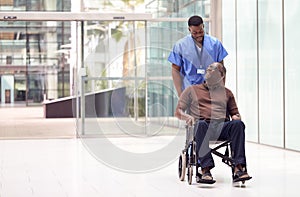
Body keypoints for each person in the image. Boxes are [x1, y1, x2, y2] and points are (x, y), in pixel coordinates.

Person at [175, 62, 252, 184]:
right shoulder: (192, 90)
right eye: (208, 68)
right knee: (200, 124)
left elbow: (234, 113)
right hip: (202, 127)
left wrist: (236, 117)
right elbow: (178, 111)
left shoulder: (227, 93)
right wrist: (188, 117)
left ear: (221, 76)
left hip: (221, 127)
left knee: (238, 124)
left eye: (213, 69)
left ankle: (239, 169)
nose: (209, 70)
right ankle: (205, 169)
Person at [168, 15, 228, 97]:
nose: (198, 35)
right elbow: (175, 70)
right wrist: (180, 93)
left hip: (211, 91)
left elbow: (221, 68)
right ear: (189, 29)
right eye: (195, 33)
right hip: (190, 92)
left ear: (203, 26)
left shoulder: (215, 44)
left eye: (201, 31)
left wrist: (221, 89)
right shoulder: (180, 46)